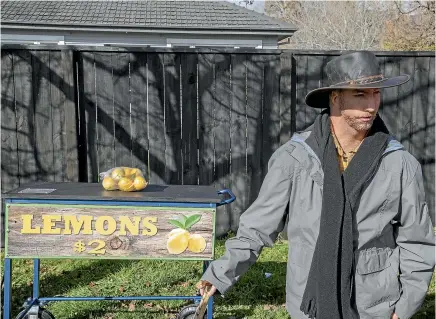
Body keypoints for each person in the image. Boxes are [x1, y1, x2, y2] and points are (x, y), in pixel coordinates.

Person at [197, 51, 435, 319]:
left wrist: (404, 308)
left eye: (375, 94)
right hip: (309, 304)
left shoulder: (399, 163)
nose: (371, 105)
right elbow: (257, 228)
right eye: (360, 95)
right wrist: (221, 273)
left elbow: (417, 240)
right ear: (335, 98)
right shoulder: (294, 159)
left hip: (375, 306)